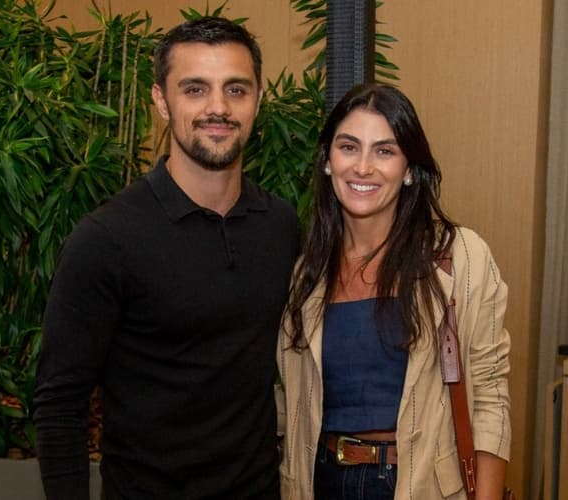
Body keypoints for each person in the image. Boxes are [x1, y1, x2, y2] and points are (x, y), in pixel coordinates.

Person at [33, 16, 299, 500]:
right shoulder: (106, 238)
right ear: (160, 101)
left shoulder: (281, 226)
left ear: (258, 99)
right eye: (194, 89)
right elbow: (59, 406)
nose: (217, 108)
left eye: (235, 90)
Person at [277, 83, 511, 500]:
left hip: (418, 485)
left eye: (384, 151)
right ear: (328, 161)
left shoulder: (459, 257)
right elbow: (286, 404)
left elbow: (491, 398)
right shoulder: (304, 273)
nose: (363, 167)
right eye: (348, 147)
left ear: (408, 169)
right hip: (319, 482)